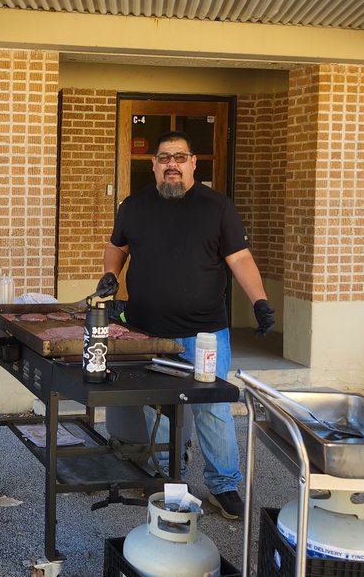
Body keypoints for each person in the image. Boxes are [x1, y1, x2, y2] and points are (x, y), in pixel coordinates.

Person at [100, 131, 274, 521]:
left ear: (194, 162)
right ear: (154, 165)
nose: (172, 164)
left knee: (212, 407)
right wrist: (111, 275)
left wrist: (259, 301)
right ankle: (168, 476)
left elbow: (240, 258)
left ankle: (223, 486)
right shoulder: (135, 205)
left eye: (180, 157)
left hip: (204, 332)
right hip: (148, 331)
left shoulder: (217, 207)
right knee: (155, 406)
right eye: (164, 158)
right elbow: (117, 246)